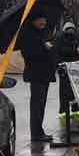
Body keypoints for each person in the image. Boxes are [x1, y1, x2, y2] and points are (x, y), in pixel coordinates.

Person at [18, 14, 57, 143]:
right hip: (36, 74)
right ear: (34, 21)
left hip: (44, 74)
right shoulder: (29, 34)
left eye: (44, 19)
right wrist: (44, 47)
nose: (43, 22)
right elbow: (28, 54)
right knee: (37, 105)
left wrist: (49, 47)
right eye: (40, 19)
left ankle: (39, 132)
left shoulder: (43, 33)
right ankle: (36, 133)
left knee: (41, 105)